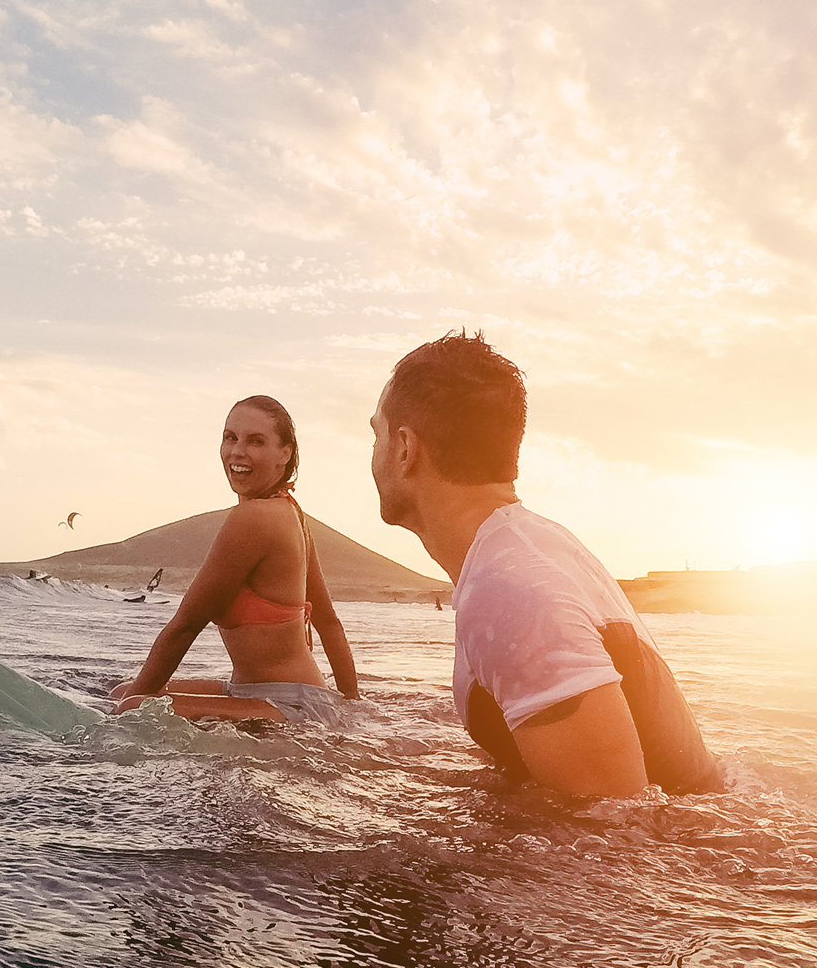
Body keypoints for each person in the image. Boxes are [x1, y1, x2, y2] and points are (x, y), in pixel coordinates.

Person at [370, 330, 721, 796]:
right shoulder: (528, 550)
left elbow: (615, 832)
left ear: (404, 448)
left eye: (375, 434)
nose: (372, 456)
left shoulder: (508, 590)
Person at [111, 396, 359, 724]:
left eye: (256, 441)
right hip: (274, 694)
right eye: (231, 438)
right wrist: (352, 704)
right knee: (122, 691)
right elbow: (329, 621)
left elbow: (185, 625)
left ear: (285, 453)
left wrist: (121, 715)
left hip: (291, 704)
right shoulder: (291, 511)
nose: (237, 452)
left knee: (129, 704)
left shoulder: (254, 518)